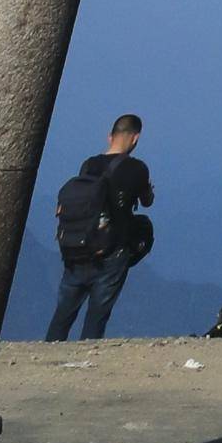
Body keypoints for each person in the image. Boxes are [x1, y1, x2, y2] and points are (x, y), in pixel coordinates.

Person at [46, 114, 154, 340]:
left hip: (78, 247)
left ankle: (48, 353)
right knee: (97, 315)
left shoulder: (89, 164)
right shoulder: (136, 168)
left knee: (63, 313)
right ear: (135, 138)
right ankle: (86, 355)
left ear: (109, 136)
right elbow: (146, 201)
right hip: (112, 252)